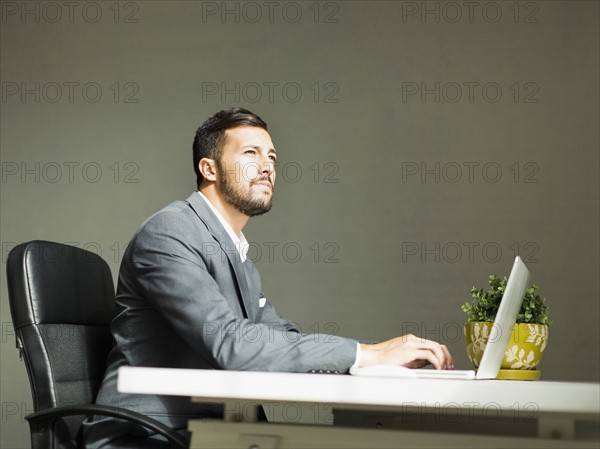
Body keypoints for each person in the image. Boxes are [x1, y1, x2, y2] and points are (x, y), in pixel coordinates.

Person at [84, 108, 453, 448]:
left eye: (272, 156)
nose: (267, 167)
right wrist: (367, 354)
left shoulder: (234, 251)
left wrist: (382, 354)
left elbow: (280, 338)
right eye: (250, 154)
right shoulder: (169, 233)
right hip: (142, 435)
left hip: (210, 432)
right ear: (209, 169)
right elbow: (232, 344)